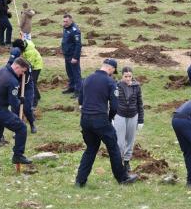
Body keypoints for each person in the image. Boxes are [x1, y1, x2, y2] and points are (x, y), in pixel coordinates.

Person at [75, 58, 138, 187]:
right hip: (100, 119)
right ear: (111, 69)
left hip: (85, 119)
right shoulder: (110, 82)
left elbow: (80, 101)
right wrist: (108, 119)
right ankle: (122, 178)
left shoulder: (86, 79)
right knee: (113, 147)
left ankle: (80, 181)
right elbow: (115, 106)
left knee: (91, 148)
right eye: (113, 71)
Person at [0, 57, 32, 171]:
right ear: (16, 67)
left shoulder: (2, 70)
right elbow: (14, 103)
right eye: (22, 71)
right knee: (21, 128)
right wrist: (20, 101)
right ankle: (18, 155)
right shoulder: (12, 81)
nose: (22, 74)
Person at [113, 66, 144, 172]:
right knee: (120, 142)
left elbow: (140, 103)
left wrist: (141, 120)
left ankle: (126, 162)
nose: (128, 78)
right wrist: (111, 116)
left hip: (133, 115)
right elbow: (112, 102)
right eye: (126, 76)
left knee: (130, 140)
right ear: (122, 76)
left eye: (130, 76)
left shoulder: (136, 86)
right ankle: (118, 163)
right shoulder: (117, 86)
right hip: (120, 115)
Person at [8, 42, 37, 134]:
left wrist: (20, 84)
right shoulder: (10, 65)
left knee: (27, 107)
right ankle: (17, 128)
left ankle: (32, 124)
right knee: (15, 107)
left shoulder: (26, 65)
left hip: (26, 86)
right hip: (16, 86)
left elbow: (27, 80)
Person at [12, 38, 42, 108]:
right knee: (33, 82)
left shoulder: (29, 52)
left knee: (32, 82)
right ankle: (38, 96)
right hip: (31, 64)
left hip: (36, 66)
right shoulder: (24, 43)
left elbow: (28, 65)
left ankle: (34, 102)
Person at [61, 14, 82, 99]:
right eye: (64, 21)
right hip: (67, 55)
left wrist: (75, 57)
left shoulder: (75, 30)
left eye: (66, 21)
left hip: (73, 55)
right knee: (69, 72)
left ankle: (78, 91)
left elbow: (78, 45)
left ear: (71, 20)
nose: (64, 23)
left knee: (76, 73)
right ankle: (71, 87)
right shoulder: (66, 28)